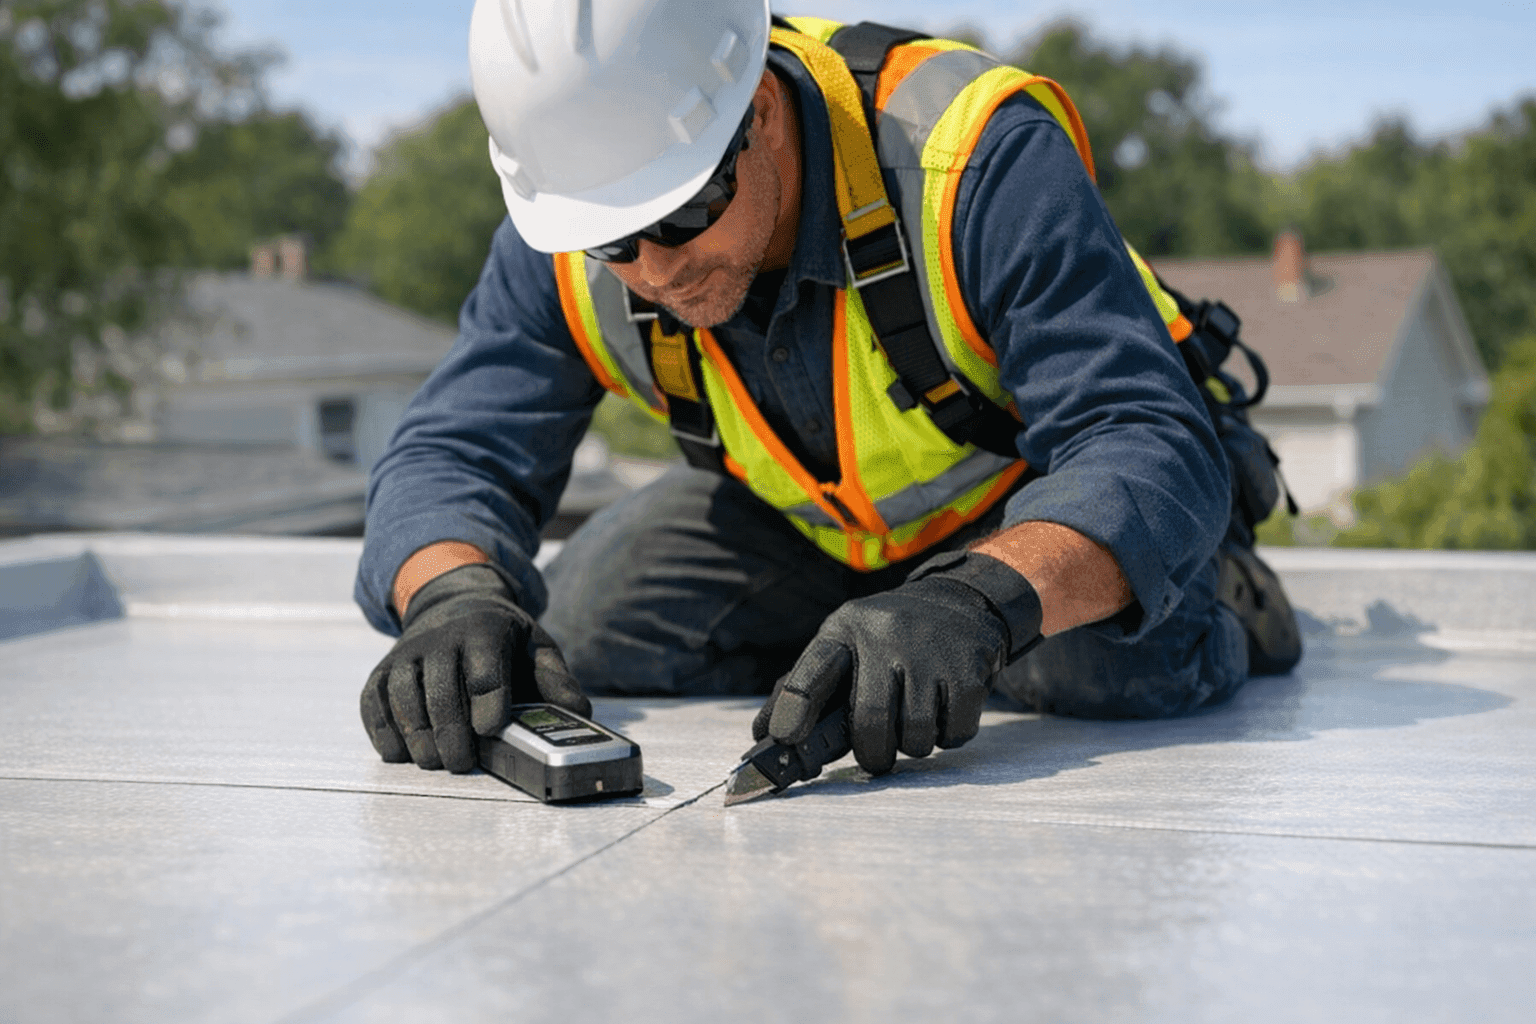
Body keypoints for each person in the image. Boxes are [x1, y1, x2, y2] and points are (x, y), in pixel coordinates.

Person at [354, 3, 1300, 780]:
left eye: (681, 212)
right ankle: (868, 648)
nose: (649, 272)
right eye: (611, 239)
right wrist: (447, 596)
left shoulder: (971, 159)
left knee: (1100, 667)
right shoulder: (570, 225)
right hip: (816, 530)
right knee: (585, 625)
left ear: (760, 110)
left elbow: (1141, 435)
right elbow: (454, 448)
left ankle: (1210, 594)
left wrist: (972, 609)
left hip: (1022, 512)